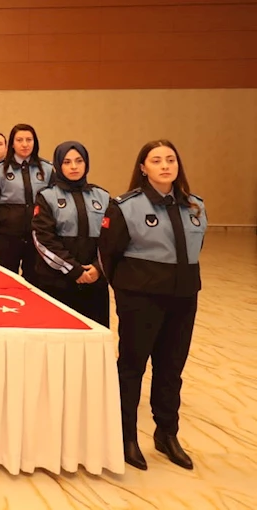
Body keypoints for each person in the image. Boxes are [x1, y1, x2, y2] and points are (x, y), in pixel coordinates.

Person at [99, 140, 207, 472]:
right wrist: (128, 290)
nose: (165, 166)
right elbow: (108, 253)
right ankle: (125, 436)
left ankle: (166, 433)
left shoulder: (195, 206)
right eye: (156, 160)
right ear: (143, 168)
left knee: (171, 368)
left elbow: (196, 249)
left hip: (183, 297)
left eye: (170, 159)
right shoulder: (126, 206)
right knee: (132, 367)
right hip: (141, 298)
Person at [31, 141, 110, 326]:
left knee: (94, 335)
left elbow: (112, 240)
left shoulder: (103, 196)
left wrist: (98, 268)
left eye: (79, 161)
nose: (74, 166)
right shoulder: (46, 196)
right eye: (67, 162)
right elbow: (43, 239)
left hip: (95, 282)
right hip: (57, 281)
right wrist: (73, 269)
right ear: (58, 165)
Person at [0, 124, 53, 277]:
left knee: (35, 281)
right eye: (19, 140)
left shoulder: (47, 169)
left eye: (29, 140)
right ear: (12, 144)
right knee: (5, 280)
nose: (25, 144)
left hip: (37, 238)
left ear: (35, 142)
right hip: (6, 238)